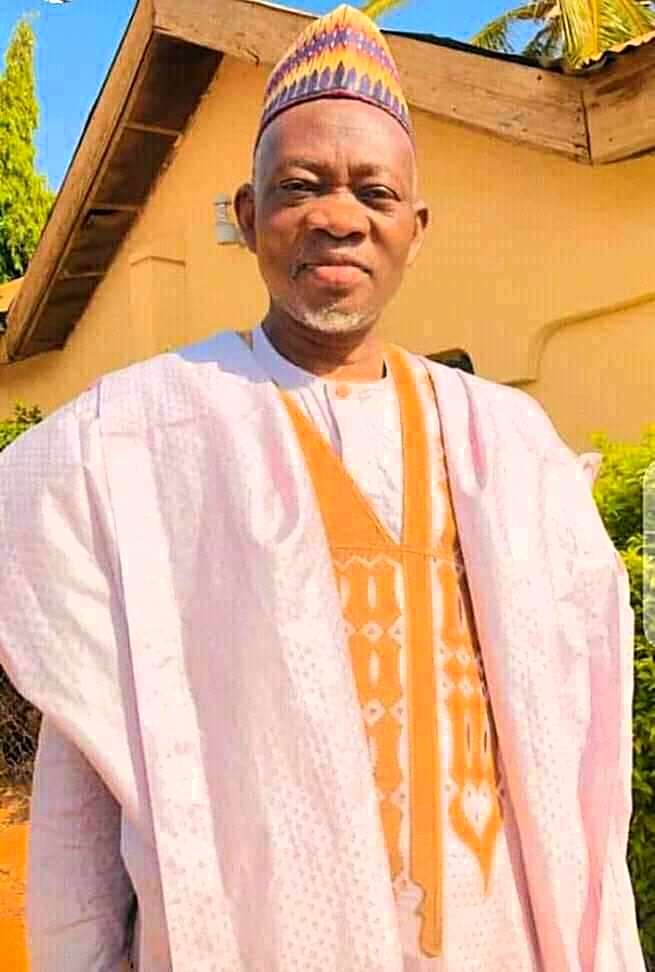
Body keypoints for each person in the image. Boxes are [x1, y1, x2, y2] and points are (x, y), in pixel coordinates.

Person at [0, 6, 645, 971]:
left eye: (373, 191)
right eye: (299, 187)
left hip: (498, 940)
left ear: (414, 230)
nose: (338, 217)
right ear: (247, 216)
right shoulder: (134, 441)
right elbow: (90, 755)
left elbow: (582, 737)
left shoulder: (510, 445)